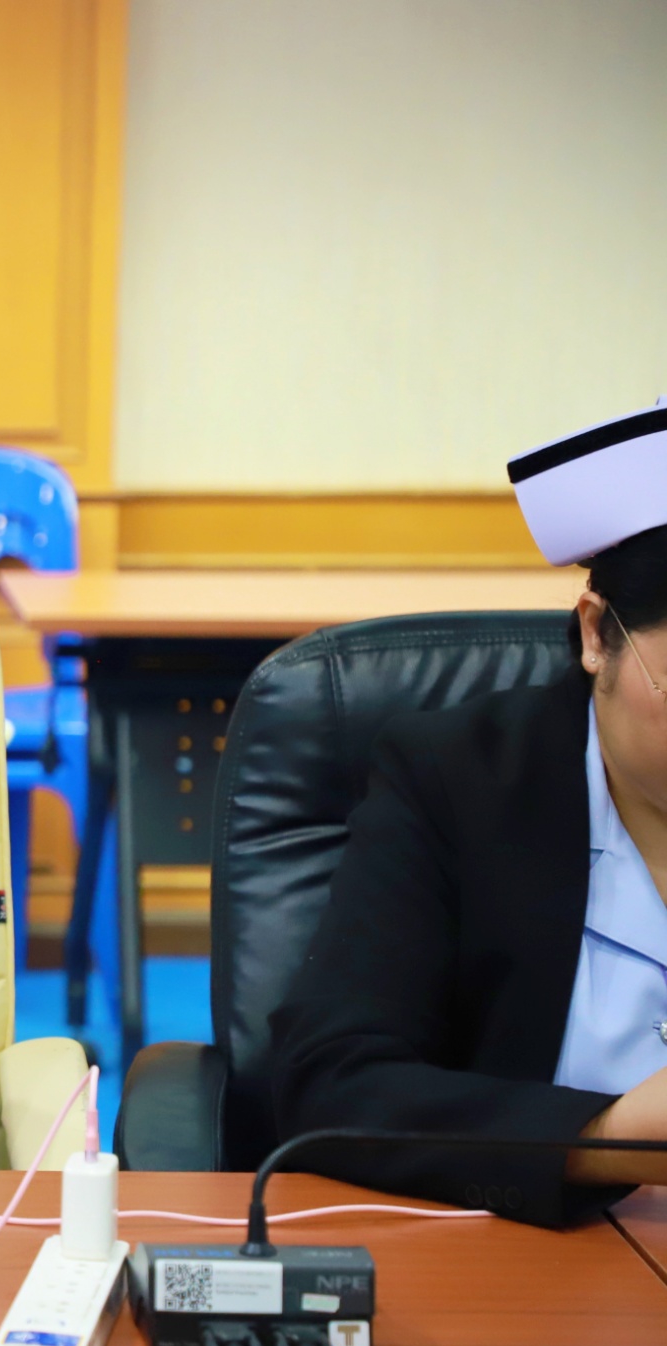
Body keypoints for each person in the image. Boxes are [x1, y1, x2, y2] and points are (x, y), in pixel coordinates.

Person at [272, 402, 667, 1226]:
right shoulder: (457, 781)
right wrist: (605, 1139)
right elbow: (334, 1081)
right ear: (597, 634)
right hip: (534, 1256)